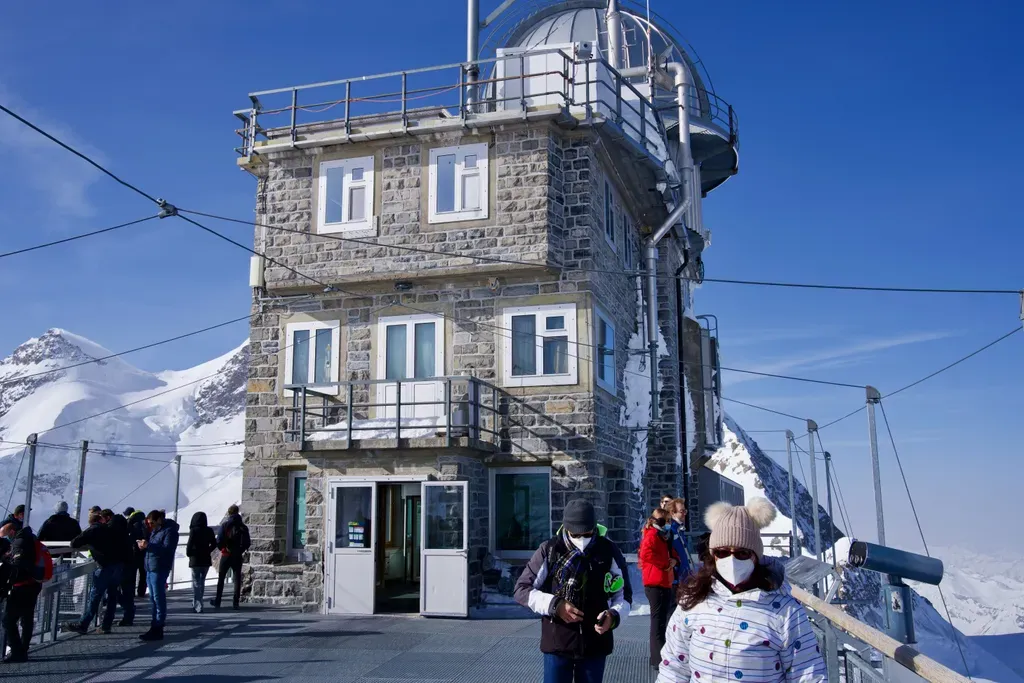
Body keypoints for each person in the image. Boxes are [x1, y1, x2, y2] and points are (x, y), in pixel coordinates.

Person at [656, 498, 826, 683]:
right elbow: (674, 667)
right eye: (722, 552)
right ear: (713, 556)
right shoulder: (693, 601)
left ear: (755, 557)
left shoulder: (785, 612)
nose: (731, 559)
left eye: (742, 553)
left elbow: (808, 675)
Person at [514, 499, 632, 683]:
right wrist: (555, 605)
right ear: (566, 528)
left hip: (595, 644)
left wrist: (613, 615)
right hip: (557, 643)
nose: (582, 539)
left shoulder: (608, 550)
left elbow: (624, 595)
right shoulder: (550, 549)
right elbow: (522, 590)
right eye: (576, 534)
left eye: (587, 533)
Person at [64, 512, 121, 635]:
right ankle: (106, 625)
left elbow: (74, 543)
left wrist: (88, 543)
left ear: (90, 521)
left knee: (95, 596)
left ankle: (83, 624)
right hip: (117, 565)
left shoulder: (92, 530)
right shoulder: (109, 529)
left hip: (104, 566)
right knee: (112, 596)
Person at [639, 507, 678, 668]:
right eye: (665, 521)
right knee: (658, 622)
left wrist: (674, 560)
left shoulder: (663, 536)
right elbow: (645, 554)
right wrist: (664, 564)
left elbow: (672, 552)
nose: (667, 524)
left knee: (661, 621)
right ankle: (658, 659)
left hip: (663, 581)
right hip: (656, 582)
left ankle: (658, 657)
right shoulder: (652, 535)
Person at [1, 523, 42, 663]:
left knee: (8, 620)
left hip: (22, 587)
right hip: (34, 584)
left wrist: (7, 562)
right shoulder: (31, 538)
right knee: (27, 617)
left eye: (6, 536)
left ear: (12, 532)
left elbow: (18, 566)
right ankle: (23, 650)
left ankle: (17, 651)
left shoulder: (19, 543)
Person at [138, 509, 178, 641]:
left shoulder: (169, 531)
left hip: (159, 567)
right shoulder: (157, 530)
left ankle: (158, 626)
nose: (150, 526)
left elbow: (167, 550)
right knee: (153, 599)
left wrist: (149, 546)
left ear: (159, 520)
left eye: (152, 523)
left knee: (158, 597)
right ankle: (154, 624)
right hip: (151, 567)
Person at [211, 505, 249, 610]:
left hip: (226, 554)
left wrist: (223, 549)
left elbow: (219, 540)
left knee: (221, 578)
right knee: (237, 579)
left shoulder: (225, 525)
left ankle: (218, 600)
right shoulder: (243, 526)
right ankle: (235, 602)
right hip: (237, 555)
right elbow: (247, 542)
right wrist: (240, 550)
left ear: (229, 513)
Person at [106, 511, 136, 627]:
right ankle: (128, 614)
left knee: (114, 592)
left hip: (119, 566)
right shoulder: (127, 534)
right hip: (128, 565)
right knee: (126, 592)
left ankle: (125, 614)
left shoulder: (115, 536)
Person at [186, 511, 216, 614]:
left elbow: (189, 545)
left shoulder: (194, 530)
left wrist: (190, 553)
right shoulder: (209, 530)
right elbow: (214, 544)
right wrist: (207, 550)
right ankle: (197, 602)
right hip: (205, 559)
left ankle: (198, 605)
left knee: (196, 583)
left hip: (195, 559)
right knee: (201, 581)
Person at [666, 498, 692, 583]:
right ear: (673, 513)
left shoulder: (679, 529)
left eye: (685, 511)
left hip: (685, 576)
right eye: (682, 511)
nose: (685, 514)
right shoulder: (670, 531)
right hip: (676, 578)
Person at [128, 510, 148, 597]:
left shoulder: (132, 525)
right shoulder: (145, 525)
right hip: (144, 552)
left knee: (132, 575)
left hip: (134, 553)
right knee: (143, 574)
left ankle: (131, 593)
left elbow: (131, 539)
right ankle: (141, 592)